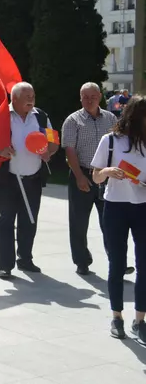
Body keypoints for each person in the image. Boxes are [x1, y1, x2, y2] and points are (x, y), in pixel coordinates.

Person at [0, 82, 58, 279]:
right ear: (14, 99)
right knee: (6, 221)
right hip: (7, 179)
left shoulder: (41, 116)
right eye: (27, 96)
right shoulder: (1, 116)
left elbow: (54, 141)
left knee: (29, 219)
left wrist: (49, 152)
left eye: (33, 95)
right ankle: (5, 264)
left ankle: (25, 259)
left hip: (33, 178)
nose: (31, 99)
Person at [91, 96, 146, 343]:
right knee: (117, 263)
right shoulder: (110, 141)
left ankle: (140, 320)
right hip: (115, 207)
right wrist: (107, 171)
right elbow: (95, 177)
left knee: (144, 266)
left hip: (142, 207)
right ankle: (117, 316)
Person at [63, 83, 119, 276]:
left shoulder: (111, 118)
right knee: (79, 222)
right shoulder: (73, 120)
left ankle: (116, 261)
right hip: (83, 173)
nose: (89, 100)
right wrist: (79, 176)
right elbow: (70, 151)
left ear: (100, 96)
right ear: (80, 98)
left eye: (93, 96)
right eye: (85, 97)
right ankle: (82, 261)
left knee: (110, 221)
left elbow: (117, 144)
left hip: (105, 176)